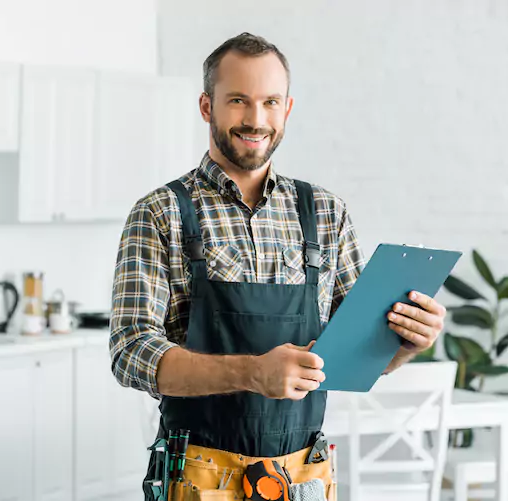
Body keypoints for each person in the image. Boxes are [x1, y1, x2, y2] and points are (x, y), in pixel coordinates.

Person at [109, 32, 447, 500]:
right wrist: (251, 372)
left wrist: (408, 341)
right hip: (198, 478)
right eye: (238, 101)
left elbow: (356, 354)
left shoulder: (326, 213)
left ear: (287, 108)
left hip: (303, 477)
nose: (256, 119)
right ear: (207, 107)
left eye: (270, 102)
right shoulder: (161, 212)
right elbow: (130, 352)